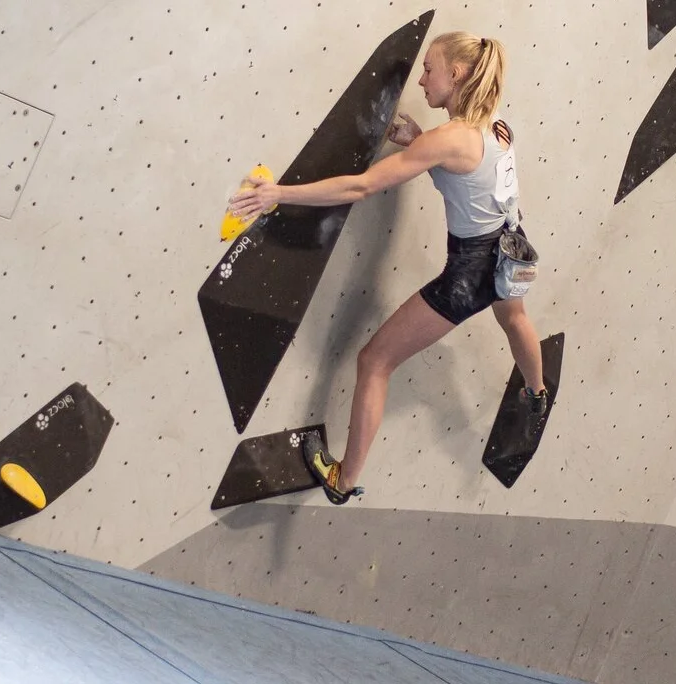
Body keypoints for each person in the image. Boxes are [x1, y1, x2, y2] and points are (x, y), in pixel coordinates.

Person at [226, 31, 549, 505]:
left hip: (468, 275)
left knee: (374, 361)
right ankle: (537, 395)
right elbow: (469, 175)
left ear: (455, 75)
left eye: (430, 70)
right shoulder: (497, 128)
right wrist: (418, 141)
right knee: (514, 317)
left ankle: (342, 479)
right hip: (509, 252)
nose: (421, 80)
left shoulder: (447, 139)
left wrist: (279, 195)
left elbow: (360, 187)